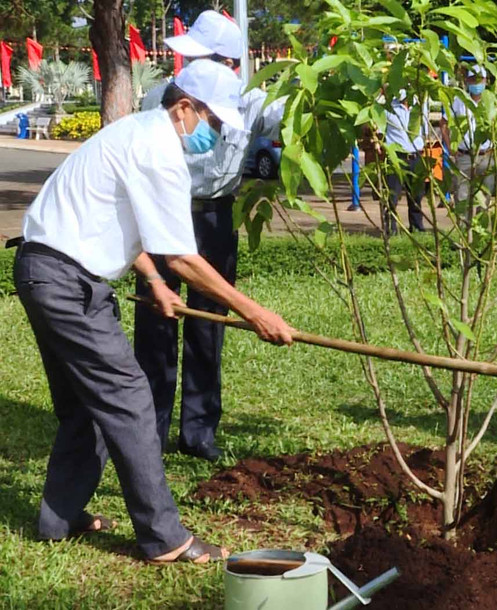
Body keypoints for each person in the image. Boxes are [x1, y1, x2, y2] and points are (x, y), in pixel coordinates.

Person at [13, 59, 294, 563]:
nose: (215, 135)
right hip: (64, 281)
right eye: (213, 122)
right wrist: (255, 312)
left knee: (86, 405)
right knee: (130, 399)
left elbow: (120, 220)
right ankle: (165, 538)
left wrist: (154, 281)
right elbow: (184, 256)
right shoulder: (158, 149)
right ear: (184, 107)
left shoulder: (136, 132)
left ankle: (59, 520)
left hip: (46, 270)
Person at [135, 11, 285, 462]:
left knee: (209, 323)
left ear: (226, 63)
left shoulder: (251, 101)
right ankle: (151, 428)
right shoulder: (161, 98)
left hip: (215, 219)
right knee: (156, 321)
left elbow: (290, 120)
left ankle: (198, 430)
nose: (187, 67)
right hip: (165, 211)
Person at [441, 65, 494, 209]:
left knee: (485, 194)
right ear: (467, 81)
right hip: (464, 155)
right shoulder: (459, 101)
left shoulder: (491, 102)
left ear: (485, 81)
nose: (476, 84)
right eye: (473, 79)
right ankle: (465, 228)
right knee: (462, 193)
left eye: (480, 80)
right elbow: (444, 124)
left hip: (485, 155)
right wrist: (451, 147)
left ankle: (481, 227)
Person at [381, 89, 427, 235]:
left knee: (416, 196)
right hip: (396, 157)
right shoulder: (388, 108)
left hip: (416, 156)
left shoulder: (420, 106)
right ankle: (391, 230)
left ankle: (417, 227)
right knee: (392, 196)